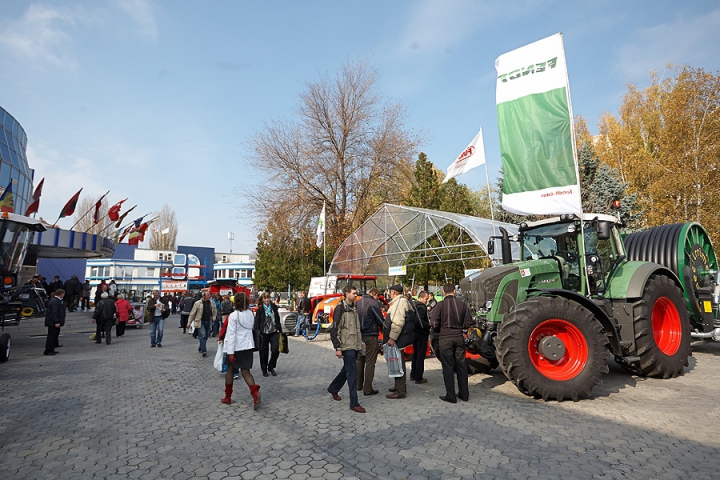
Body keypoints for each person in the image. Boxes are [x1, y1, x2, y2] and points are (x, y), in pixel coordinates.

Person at [430, 283, 473, 403]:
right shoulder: (462, 305)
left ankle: (451, 395)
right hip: (459, 337)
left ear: (443, 292)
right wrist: (461, 328)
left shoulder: (440, 305)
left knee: (448, 366)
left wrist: (438, 331)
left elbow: (433, 323)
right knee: (461, 365)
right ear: (454, 291)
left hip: (445, 338)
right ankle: (464, 394)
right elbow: (469, 322)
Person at [327, 285, 365, 413]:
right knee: (352, 373)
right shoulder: (340, 308)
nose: (356, 295)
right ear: (346, 294)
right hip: (346, 345)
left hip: (354, 344)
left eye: (356, 293)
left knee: (347, 370)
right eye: (353, 293)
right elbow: (335, 329)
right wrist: (338, 347)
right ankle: (354, 403)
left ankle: (333, 388)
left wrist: (360, 343)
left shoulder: (354, 306)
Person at [220, 292, 261, 409]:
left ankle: (227, 397)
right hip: (247, 346)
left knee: (230, 370)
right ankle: (254, 392)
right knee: (246, 371)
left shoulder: (233, 316)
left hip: (235, 347)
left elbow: (231, 335)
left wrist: (231, 353)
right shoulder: (250, 314)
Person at [384, 284, 415, 399]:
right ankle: (398, 386)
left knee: (398, 364)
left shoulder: (398, 303)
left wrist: (392, 338)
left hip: (398, 339)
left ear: (393, 292)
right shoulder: (402, 301)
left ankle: (400, 390)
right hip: (401, 338)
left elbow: (397, 322)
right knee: (396, 363)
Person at [356, 287, 385, 396]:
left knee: (359, 361)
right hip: (371, 335)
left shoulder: (357, 302)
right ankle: (367, 388)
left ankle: (358, 385)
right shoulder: (374, 303)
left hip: (359, 336)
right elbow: (380, 320)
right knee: (370, 362)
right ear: (376, 295)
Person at [254, 292, 282, 377]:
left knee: (275, 349)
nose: (266, 300)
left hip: (273, 331)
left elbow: (277, 319)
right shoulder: (260, 310)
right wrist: (257, 332)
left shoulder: (274, 307)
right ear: (262, 300)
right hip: (264, 333)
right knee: (263, 352)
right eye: (265, 298)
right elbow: (257, 322)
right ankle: (264, 369)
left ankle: (271, 366)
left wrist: (280, 330)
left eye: (268, 298)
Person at [410, 290, 431, 384]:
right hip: (421, 334)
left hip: (413, 333)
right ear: (421, 297)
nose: (427, 301)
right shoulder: (421, 307)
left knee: (415, 355)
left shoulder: (412, 305)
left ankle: (413, 374)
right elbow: (420, 322)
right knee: (420, 356)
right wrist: (429, 326)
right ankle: (419, 377)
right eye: (426, 299)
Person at [188, 290, 217, 357]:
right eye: (208, 295)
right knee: (203, 335)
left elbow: (214, 311)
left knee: (206, 336)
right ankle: (204, 350)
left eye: (209, 295)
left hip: (209, 321)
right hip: (200, 321)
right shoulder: (198, 303)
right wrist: (189, 322)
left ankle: (200, 347)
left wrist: (214, 318)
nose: (210, 296)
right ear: (203, 296)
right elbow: (192, 313)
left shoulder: (212, 303)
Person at [44, 288, 65, 356]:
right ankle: (48, 350)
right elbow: (54, 312)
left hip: (53, 322)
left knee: (54, 336)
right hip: (53, 322)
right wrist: (56, 321)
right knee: (51, 336)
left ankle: (51, 349)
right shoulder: (55, 301)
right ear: (61, 294)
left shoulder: (55, 300)